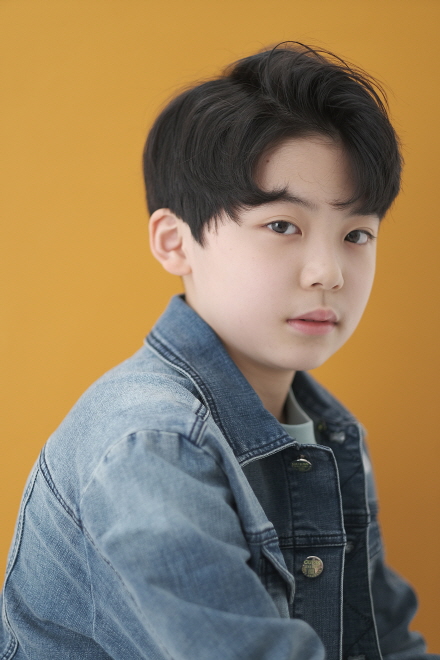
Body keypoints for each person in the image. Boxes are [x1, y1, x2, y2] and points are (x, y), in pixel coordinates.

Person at [1, 42, 437, 660]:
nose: (329, 272)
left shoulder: (330, 434)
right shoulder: (152, 444)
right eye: (282, 225)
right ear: (175, 241)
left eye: (357, 234)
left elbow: (384, 645)